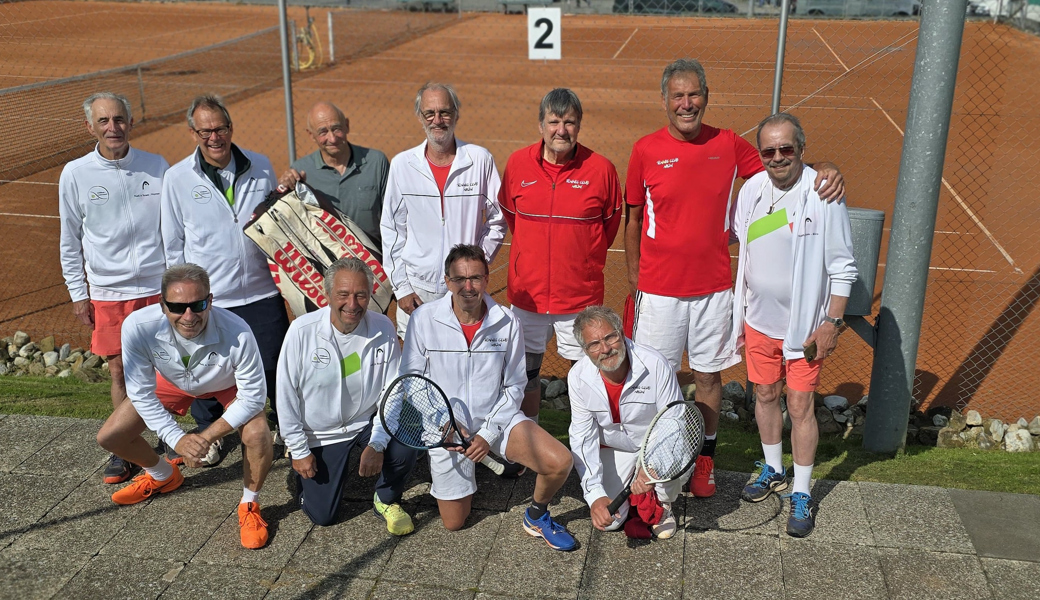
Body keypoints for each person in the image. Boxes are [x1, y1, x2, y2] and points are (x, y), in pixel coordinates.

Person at [624, 58, 845, 499]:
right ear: (665, 100)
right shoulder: (644, 150)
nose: (686, 104)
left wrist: (824, 167)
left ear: (706, 97)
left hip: (713, 292)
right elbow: (632, 218)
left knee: (708, 379)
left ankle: (704, 461)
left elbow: (782, 165)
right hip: (659, 292)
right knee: (656, 380)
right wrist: (635, 277)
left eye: (694, 94)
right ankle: (656, 463)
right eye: (678, 96)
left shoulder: (727, 144)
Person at [729, 113, 856, 537]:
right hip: (757, 321)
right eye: (769, 150)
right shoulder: (751, 190)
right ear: (760, 154)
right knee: (765, 395)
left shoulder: (823, 193)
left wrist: (832, 322)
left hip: (804, 329)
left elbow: (843, 267)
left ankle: (801, 492)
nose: (778, 157)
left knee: (800, 407)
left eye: (787, 148)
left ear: (801, 149)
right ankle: (773, 469)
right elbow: (741, 240)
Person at [401, 244, 577, 551]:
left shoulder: (508, 322)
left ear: (486, 279)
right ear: (447, 281)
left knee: (560, 462)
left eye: (475, 278)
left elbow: (515, 385)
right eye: (460, 278)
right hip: (447, 430)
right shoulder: (423, 319)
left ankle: (536, 516)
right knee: (454, 522)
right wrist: (444, 422)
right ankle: (480, 466)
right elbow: (412, 380)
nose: (468, 286)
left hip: (496, 420)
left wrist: (487, 434)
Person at [95, 264, 274, 549]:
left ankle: (249, 505)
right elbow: (140, 392)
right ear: (162, 304)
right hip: (172, 382)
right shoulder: (137, 326)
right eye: (178, 307)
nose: (189, 316)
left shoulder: (238, 330)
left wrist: (205, 437)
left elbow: (253, 397)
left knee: (257, 434)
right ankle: (164, 476)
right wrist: (177, 439)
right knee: (110, 437)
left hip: (225, 383)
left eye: (198, 305)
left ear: (210, 301)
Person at [161, 94, 290, 462]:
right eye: (205, 131)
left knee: (273, 366)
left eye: (220, 129)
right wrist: (185, 299)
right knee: (206, 370)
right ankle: (209, 433)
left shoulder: (261, 165)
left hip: (262, 292)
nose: (214, 137)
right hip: (211, 298)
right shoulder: (177, 178)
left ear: (231, 128)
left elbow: (272, 219)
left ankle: (282, 424)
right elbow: (173, 244)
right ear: (193, 133)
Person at [59, 92, 169, 485]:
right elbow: (69, 239)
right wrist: (78, 293)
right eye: (104, 121)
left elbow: (172, 228)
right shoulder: (75, 174)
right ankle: (126, 448)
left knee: (166, 368)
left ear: (131, 123)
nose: (113, 128)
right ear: (90, 127)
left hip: (157, 287)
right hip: (108, 293)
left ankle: (168, 437)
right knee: (120, 372)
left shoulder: (156, 166)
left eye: (119, 119)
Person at [498, 88, 623, 420]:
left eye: (569, 122)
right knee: (524, 376)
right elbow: (512, 217)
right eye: (554, 122)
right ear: (541, 125)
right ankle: (530, 439)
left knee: (586, 380)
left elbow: (608, 228)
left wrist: (580, 261)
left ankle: (586, 444)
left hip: (579, 300)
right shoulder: (517, 164)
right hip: (528, 298)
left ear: (579, 125)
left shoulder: (601, 170)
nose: (561, 130)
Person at [276, 257, 418, 532]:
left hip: (364, 422)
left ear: (370, 295)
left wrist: (378, 444)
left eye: (361, 295)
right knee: (323, 516)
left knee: (406, 441)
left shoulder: (383, 327)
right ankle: (304, 479)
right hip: (319, 432)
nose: (352, 304)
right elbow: (285, 395)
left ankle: (386, 498)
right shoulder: (301, 331)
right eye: (343, 294)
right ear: (327, 294)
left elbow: (391, 391)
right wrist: (299, 449)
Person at [380, 83, 506, 339]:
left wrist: (477, 262)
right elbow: (392, 229)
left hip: (465, 286)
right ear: (420, 117)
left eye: (445, 112)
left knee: (464, 352)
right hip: (418, 289)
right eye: (430, 113)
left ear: (456, 114)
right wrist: (402, 288)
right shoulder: (403, 165)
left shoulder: (480, 160)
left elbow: (498, 218)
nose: (437, 120)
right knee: (417, 358)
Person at [567, 306, 685, 539]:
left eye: (610, 337)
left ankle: (663, 501)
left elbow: (674, 423)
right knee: (610, 522)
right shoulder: (578, 377)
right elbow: (582, 437)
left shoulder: (656, 364)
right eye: (594, 344)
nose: (605, 349)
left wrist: (652, 468)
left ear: (621, 333)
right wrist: (595, 495)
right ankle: (636, 492)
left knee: (676, 454)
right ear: (585, 350)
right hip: (616, 448)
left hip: (655, 446)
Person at [277, 102, 389, 257]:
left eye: (336, 128)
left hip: (374, 262)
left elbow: (394, 219)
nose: (332, 138)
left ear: (347, 125)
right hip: (329, 266)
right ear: (311, 135)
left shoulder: (376, 162)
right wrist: (285, 191)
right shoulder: (301, 171)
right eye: (323, 132)